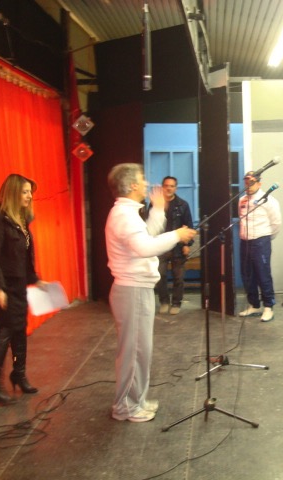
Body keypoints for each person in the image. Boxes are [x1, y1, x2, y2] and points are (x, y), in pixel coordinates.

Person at [105, 163, 196, 422]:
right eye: (142, 180)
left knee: (140, 350)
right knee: (135, 351)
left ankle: (137, 400)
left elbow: (147, 236)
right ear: (132, 185)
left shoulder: (128, 213)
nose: (146, 184)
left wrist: (157, 210)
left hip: (136, 289)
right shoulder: (124, 215)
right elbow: (145, 247)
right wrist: (177, 234)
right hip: (132, 290)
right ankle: (126, 407)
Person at [0, 174, 46, 406]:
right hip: (3, 284)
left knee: (19, 328)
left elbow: (25, 256)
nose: (29, 196)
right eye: (25, 192)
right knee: (5, 330)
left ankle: (18, 374)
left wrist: (35, 279)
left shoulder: (21, 219)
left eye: (30, 192)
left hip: (18, 283)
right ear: (13, 193)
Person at [237, 171, 282, 322]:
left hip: (261, 241)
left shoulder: (269, 200)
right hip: (245, 241)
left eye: (252, 183)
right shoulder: (241, 200)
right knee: (247, 275)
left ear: (259, 183)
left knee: (263, 274)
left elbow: (276, 223)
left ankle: (268, 306)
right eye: (246, 183)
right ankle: (254, 305)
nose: (248, 185)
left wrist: (266, 237)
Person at [154, 176, 194, 315]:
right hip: (160, 246)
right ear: (162, 187)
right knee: (160, 275)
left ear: (175, 188)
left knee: (178, 277)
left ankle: (176, 303)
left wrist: (187, 244)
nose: (169, 188)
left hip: (178, 246)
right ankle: (164, 302)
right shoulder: (156, 204)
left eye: (172, 186)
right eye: (166, 186)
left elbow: (188, 225)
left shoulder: (183, 205)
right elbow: (150, 224)